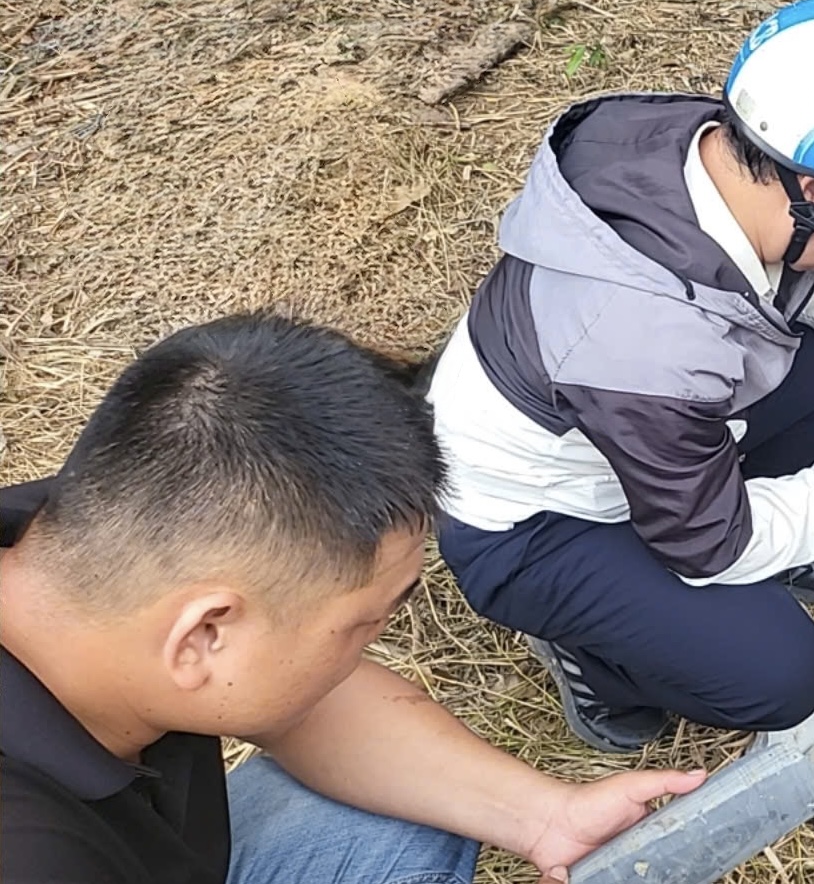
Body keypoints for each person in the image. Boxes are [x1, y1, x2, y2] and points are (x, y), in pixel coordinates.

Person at [428, 0, 814, 754]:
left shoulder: (721, 154)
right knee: (781, 674)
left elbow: (787, 268)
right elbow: (712, 546)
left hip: (624, 429)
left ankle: (770, 551)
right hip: (533, 525)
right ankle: (593, 656)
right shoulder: (644, 345)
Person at [0, 313, 704, 884]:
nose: (368, 651)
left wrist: (546, 817)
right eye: (359, 628)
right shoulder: (33, 855)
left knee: (405, 818)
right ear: (204, 635)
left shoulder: (72, 536)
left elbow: (310, 707)